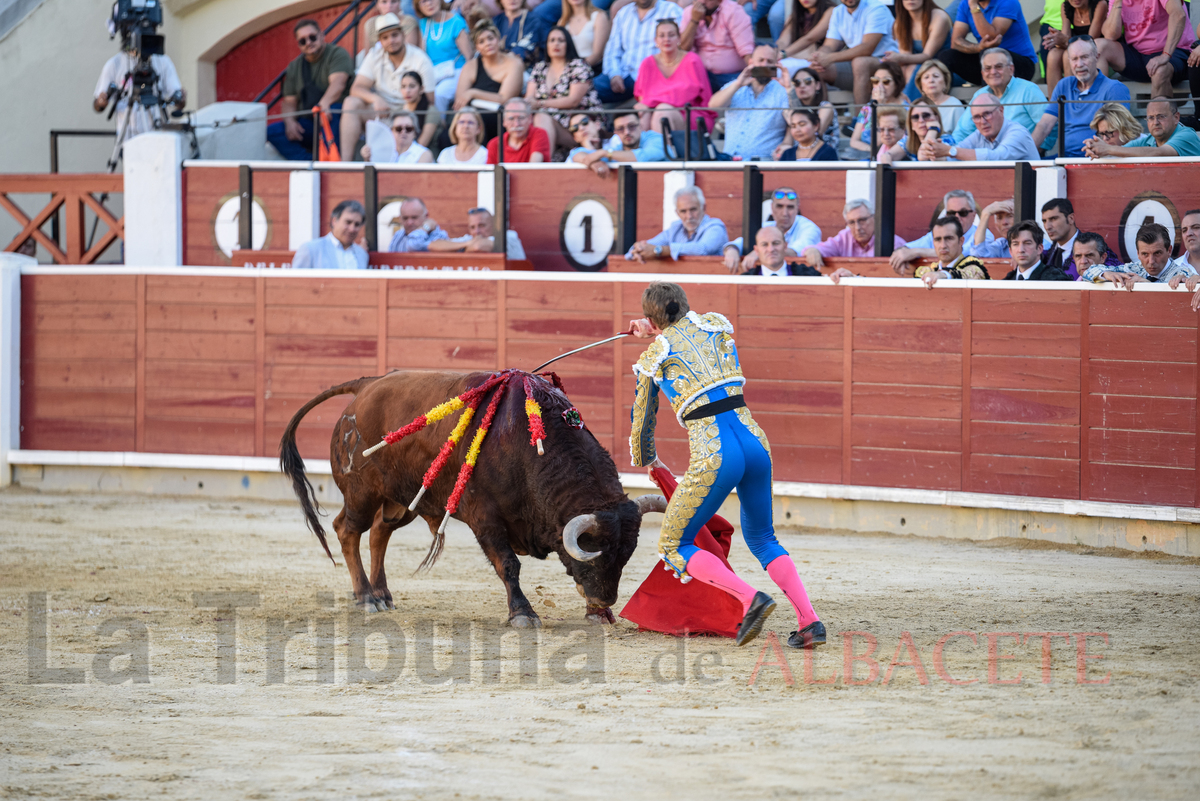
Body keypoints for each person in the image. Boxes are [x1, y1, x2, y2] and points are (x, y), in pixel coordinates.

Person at [627, 282, 826, 649]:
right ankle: (809, 621)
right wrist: (655, 327)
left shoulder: (651, 358)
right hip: (754, 441)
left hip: (715, 452)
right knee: (764, 538)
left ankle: (750, 599)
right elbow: (684, 332)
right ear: (685, 305)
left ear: (652, 319)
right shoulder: (716, 325)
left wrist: (647, 460)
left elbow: (642, 427)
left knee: (674, 545)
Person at [341, 13, 437, 161]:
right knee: (350, 102)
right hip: (382, 113)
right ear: (380, 41)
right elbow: (356, 88)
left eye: (394, 35)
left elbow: (430, 101)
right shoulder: (374, 55)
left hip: (410, 114)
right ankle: (344, 165)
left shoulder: (420, 60)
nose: (391, 41)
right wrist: (375, 98)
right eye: (385, 38)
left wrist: (409, 111)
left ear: (403, 35)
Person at [266, 20, 352, 161]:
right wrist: (289, 122)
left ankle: (328, 164)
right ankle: (308, 163)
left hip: (333, 117)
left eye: (312, 37)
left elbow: (338, 83)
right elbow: (289, 101)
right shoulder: (295, 66)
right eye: (302, 41)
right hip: (309, 123)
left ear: (322, 35)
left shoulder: (337, 53)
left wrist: (323, 106)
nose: (308, 42)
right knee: (274, 132)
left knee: (332, 113)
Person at [1032, 36, 1130, 158]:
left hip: (1097, 159)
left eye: (1084, 57)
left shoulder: (1114, 89)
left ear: (1097, 57)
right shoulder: (1064, 85)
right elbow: (1045, 125)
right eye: (1074, 59)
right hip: (1065, 158)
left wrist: (1095, 151)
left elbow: (1117, 137)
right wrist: (1027, 152)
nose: (1079, 64)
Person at [93, 25, 185, 142]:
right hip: (128, 139)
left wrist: (181, 99)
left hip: (158, 140)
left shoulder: (163, 61)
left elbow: (178, 99)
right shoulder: (115, 64)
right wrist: (102, 101)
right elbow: (97, 106)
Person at [1096, 0, 1195, 101]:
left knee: (1160, 70)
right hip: (1139, 55)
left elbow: (1178, 14)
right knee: (1099, 47)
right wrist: (1117, 3)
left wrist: (1165, 55)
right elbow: (1110, 35)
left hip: (1174, 52)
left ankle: (1159, 115)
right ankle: (1096, 112)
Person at [525, 26, 602, 155]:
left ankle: (541, 166)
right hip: (549, 123)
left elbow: (573, 101)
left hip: (579, 127)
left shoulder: (578, 66)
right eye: (552, 40)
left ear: (568, 44)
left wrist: (540, 104)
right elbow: (529, 98)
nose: (556, 44)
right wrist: (532, 102)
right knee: (530, 118)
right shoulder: (539, 68)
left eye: (561, 40)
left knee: (541, 117)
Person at [808, 0, 899, 106]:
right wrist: (818, 57)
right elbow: (829, 45)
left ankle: (859, 119)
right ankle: (821, 117)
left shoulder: (876, 8)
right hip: (856, 66)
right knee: (817, 69)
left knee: (860, 63)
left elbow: (867, 48)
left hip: (886, 62)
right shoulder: (838, 12)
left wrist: (830, 58)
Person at [708, 45, 790, 160]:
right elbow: (713, 106)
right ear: (750, 62)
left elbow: (794, 120)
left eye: (770, 61)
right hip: (730, 160)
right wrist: (738, 84)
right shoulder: (736, 86)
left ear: (777, 64)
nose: (764, 65)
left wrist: (789, 88)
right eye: (760, 60)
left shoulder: (782, 91)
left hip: (763, 163)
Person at [634, 20, 715, 134]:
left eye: (671, 35)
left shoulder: (692, 60)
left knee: (662, 112)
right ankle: (647, 150)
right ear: (655, 40)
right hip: (655, 113)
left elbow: (686, 96)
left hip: (690, 114)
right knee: (644, 115)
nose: (666, 39)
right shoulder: (647, 63)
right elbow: (642, 99)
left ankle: (662, 151)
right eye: (662, 36)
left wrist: (653, 101)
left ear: (679, 38)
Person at [951, 48, 1047, 143]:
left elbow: (1048, 127)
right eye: (988, 68)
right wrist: (952, 151)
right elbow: (963, 132)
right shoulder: (980, 95)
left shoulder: (1028, 90)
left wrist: (1034, 150)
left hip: (1021, 155)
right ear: (983, 74)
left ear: (1011, 69)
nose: (993, 72)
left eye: (999, 67)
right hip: (988, 155)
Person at [452, 19, 524, 145]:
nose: (487, 44)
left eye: (490, 38)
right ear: (477, 47)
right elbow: (460, 101)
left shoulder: (514, 64)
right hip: (475, 119)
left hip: (501, 118)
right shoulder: (470, 66)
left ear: (498, 39)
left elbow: (504, 98)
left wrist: (473, 93)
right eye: (481, 41)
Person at [890, 189, 993, 275]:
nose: (957, 217)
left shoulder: (984, 234)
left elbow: (969, 254)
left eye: (963, 213)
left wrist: (918, 252)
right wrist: (902, 254)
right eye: (952, 213)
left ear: (974, 215)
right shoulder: (938, 233)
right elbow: (906, 248)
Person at [599, 0, 685, 103]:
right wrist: (615, 74)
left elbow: (680, 48)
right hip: (625, 76)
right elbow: (612, 50)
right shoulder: (623, 13)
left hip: (656, 78)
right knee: (587, 90)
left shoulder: (672, 11)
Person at [723, 187, 823, 273]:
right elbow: (739, 243)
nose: (784, 213)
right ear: (772, 208)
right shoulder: (766, 226)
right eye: (779, 206)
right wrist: (732, 251)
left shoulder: (809, 228)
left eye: (790, 207)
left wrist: (760, 252)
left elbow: (796, 250)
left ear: (797, 209)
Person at [940, 0, 1038, 84]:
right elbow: (956, 42)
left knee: (989, 53)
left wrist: (974, 7)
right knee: (947, 56)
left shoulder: (1008, 1)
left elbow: (991, 37)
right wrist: (978, 47)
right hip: (989, 65)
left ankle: (989, 100)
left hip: (1021, 65)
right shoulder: (965, 4)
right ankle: (946, 103)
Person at [1080, 222, 1200, 289]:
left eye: (1157, 253)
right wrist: (1106, 274)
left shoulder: (1184, 274)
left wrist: (1149, 287)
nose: (1151, 261)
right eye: (1145, 254)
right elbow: (1087, 272)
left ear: (1169, 250)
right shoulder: (1134, 269)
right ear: (1137, 253)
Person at [922, 94, 1040, 161]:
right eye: (977, 117)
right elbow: (954, 156)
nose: (982, 122)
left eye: (987, 114)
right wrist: (934, 151)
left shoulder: (1017, 132)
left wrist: (949, 151)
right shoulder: (979, 135)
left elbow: (996, 157)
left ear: (1001, 110)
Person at [626, 186, 728, 262]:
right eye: (683, 211)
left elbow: (702, 249)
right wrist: (638, 249)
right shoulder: (675, 228)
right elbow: (647, 246)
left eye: (693, 210)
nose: (689, 216)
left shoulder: (715, 227)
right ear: (677, 213)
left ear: (704, 208)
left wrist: (661, 250)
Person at [802, 198, 906, 268]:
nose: (857, 228)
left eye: (862, 220)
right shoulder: (844, 237)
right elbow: (816, 249)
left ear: (874, 218)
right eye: (851, 222)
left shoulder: (894, 243)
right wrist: (813, 250)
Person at [1084, 97, 1200, 158]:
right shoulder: (1147, 141)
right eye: (1150, 118)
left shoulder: (1187, 135)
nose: (1156, 122)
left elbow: (1159, 154)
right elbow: (1123, 151)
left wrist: (1107, 149)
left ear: (1176, 118)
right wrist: (1094, 147)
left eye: (1161, 116)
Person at [679, 0, 756, 90]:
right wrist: (694, 20)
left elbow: (746, 50)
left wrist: (755, 76)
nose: (702, 2)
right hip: (701, 74)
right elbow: (683, 49)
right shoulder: (690, 12)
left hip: (731, 76)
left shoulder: (733, 11)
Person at [884, 0, 952, 97]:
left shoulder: (939, 17)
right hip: (917, 67)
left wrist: (899, 58)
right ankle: (888, 106)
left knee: (913, 68)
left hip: (944, 69)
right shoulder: (900, 23)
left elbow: (927, 56)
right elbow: (906, 57)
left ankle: (908, 107)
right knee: (899, 69)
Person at [415, 0, 472, 111]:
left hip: (455, 71)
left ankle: (438, 126)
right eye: (423, 2)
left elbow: (469, 56)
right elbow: (422, 55)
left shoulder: (456, 21)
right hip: (432, 73)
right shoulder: (423, 23)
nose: (429, 4)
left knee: (439, 95)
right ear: (418, 7)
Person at [1042, 0, 1108, 91]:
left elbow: (1090, 41)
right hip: (1078, 46)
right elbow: (1065, 39)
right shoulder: (1066, 6)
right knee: (1053, 54)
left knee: (1067, 55)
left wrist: (1065, 40)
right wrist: (1058, 39)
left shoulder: (1100, 4)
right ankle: (1055, 102)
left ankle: (1072, 98)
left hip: (1099, 51)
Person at [849, 62, 907, 156]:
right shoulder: (867, 109)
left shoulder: (905, 109)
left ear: (897, 83)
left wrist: (880, 106)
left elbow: (882, 140)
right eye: (875, 81)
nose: (880, 86)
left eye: (885, 82)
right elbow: (854, 141)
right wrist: (871, 150)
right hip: (867, 155)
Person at [916, 216, 991, 287]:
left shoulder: (974, 268)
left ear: (961, 241)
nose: (943, 245)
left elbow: (969, 274)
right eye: (938, 239)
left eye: (949, 238)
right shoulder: (929, 270)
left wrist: (944, 274)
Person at [294, 200, 369, 270]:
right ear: (334, 221)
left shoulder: (362, 255)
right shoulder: (311, 249)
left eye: (357, 224)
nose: (352, 229)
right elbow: (295, 281)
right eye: (348, 222)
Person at [428, 207, 527, 257]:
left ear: (494, 225)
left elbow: (478, 247)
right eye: (472, 227)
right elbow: (433, 245)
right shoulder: (469, 240)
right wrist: (467, 243)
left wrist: (459, 247)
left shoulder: (509, 236)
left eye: (482, 225)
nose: (477, 231)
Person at [882, 96, 955, 162]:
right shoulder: (908, 141)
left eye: (926, 115)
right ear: (911, 125)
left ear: (936, 118)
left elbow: (924, 155)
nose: (921, 120)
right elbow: (887, 155)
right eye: (915, 117)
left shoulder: (947, 139)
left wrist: (933, 129)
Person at [1001, 220, 1074, 281]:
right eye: (1015, 244)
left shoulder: (1056, 279)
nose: (1021, 250)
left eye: (1027, 243)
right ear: (1011, 251)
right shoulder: (1006, 282)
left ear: (1039, 249)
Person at [788, 66, 838, 150]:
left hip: (823, 158)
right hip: (800, 159)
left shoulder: (826, 107)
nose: (802, 86)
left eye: (808, 81)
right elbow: (787, 142)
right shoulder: (795, 111)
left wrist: (789, 92)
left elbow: (813, 136)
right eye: (797, 83)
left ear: (817, 85)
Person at [487, 98, 552, 162]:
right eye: (511, 119)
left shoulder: (539, 134)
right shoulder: (494, 144)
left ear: (530, 118)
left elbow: (534, 167)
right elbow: (489, 172)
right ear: (504, 122)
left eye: (521, 118)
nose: (516, 124)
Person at [741, 226, 824, 276]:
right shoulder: (744, 280)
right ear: (756, 250)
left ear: (785, 246)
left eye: (776, 243)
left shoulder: (807, 275)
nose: (771, 249)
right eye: (764, 245)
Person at [777, 0, 836, 67]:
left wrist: (784, 54)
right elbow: (783, 41)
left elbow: (810, 38)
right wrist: (775, 52)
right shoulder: (796, 14)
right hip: (797, 57)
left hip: (821, 60)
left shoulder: (831, 11)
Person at [362, 109, 436, 162]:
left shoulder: (424, 154)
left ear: (415, 133)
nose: (403, 132)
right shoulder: (383, 151)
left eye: (408, 128)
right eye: (398, 128)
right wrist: (367, 158)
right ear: (391, 131)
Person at [494, 0, 551, 66]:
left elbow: (525, 48)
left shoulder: (533, 21)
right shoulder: (496, 21)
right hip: (497, 67)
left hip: (526, 69)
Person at [913, 59, 963, 131]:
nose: (931, 80)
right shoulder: (917, 107)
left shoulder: (955, 105)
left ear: (945, 82)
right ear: (921, 85)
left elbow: (961, 137)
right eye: (926, 77)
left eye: (936, 76)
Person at [559, 0, 611, 67]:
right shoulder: (562, 22)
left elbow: (597, 54)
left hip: (592, 68)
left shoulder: (599, 16)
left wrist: (578, 70)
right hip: (568, 69)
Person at [776, 108, 841, 160]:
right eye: (793, 126)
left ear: (816, 125)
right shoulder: (787, 154)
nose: (797, 130)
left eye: (802, 124)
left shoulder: (828, 152)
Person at [1039, 198, 1081, 278]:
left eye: (1053, 219)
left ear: (1071, 219)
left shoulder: (1092, 246)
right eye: (1044, 221)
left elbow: (1110, 263)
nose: (1047, 227)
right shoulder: (1048, 253)